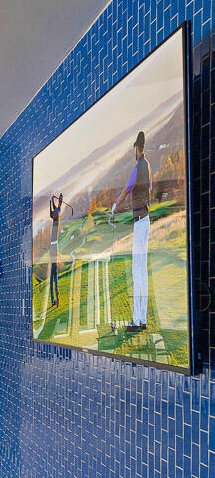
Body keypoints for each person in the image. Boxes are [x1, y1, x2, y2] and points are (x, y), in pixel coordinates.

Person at [111, 131, 152, 332]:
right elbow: (144, 191)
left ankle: (136, 321)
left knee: (137, 273)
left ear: (137, 148)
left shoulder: (138, 167)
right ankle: (142, 319)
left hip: (139, 222)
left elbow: (127, 189)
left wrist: (115, 206)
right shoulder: (148, 166)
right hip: (146, 220)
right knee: (142, 272)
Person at [47, 193, 66, 307]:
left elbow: (51, 213)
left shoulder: (56, 214)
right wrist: (52, 200)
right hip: (54, 247)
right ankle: (54, 299)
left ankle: (55, 299)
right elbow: (53, 210)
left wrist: (50, 200)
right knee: (53, 275)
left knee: (53, 276)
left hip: (54, 247)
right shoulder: (57, 211)